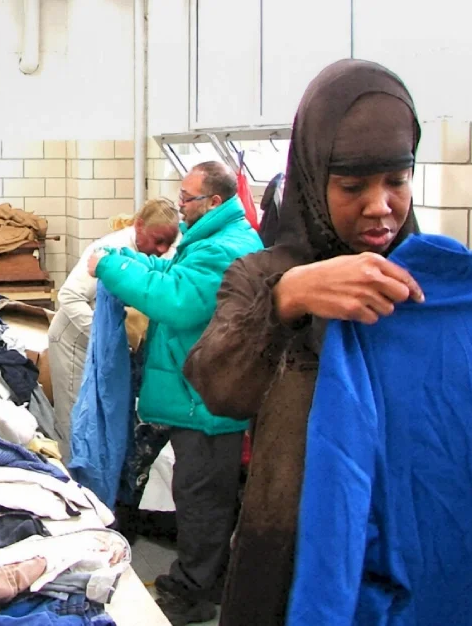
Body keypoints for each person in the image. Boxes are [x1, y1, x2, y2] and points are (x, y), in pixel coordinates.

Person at [185, 59, 425, 626]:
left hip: (409, 540)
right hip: (288, 541)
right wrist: (286, 299)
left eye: (397, 180)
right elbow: (217, 387)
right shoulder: (260, 272)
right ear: (314, 180)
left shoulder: (427, 280)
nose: (380, 205)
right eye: (352, 186)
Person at [86, 162, 263, 625]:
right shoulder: (212, 240)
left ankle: (192, 592)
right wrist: (131, 261)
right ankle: (205, 579)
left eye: (187, 198)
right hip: (199, 393)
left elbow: (177, 301)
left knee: (202, 500)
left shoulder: (225, 248)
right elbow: (172, 275)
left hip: (205, 400)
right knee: (199, 495)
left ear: (214, 202)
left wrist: (110, 267)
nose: (181, 206)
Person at [46, 197, 180, 458]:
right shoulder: (110, 248)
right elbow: (69, 296)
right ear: (139, 226)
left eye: (169, 241)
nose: (162, 249)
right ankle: (73, 485)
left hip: (112, 345)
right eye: (157, 240)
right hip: (74, 339)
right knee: (78, 418)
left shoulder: (167, 252)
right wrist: (107, 338)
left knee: (108, 417)